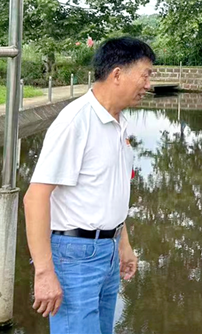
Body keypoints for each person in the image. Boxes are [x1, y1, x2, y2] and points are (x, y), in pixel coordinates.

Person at [23, 37, 155, 334]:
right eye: (145, 74)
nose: (149, 84)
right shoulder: (76, 121)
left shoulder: (118, 123)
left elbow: (110, 190)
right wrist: (44, 273)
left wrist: (123, 244)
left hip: (106, 251)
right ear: (118, 74)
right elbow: (35, 198)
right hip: (75, 256)